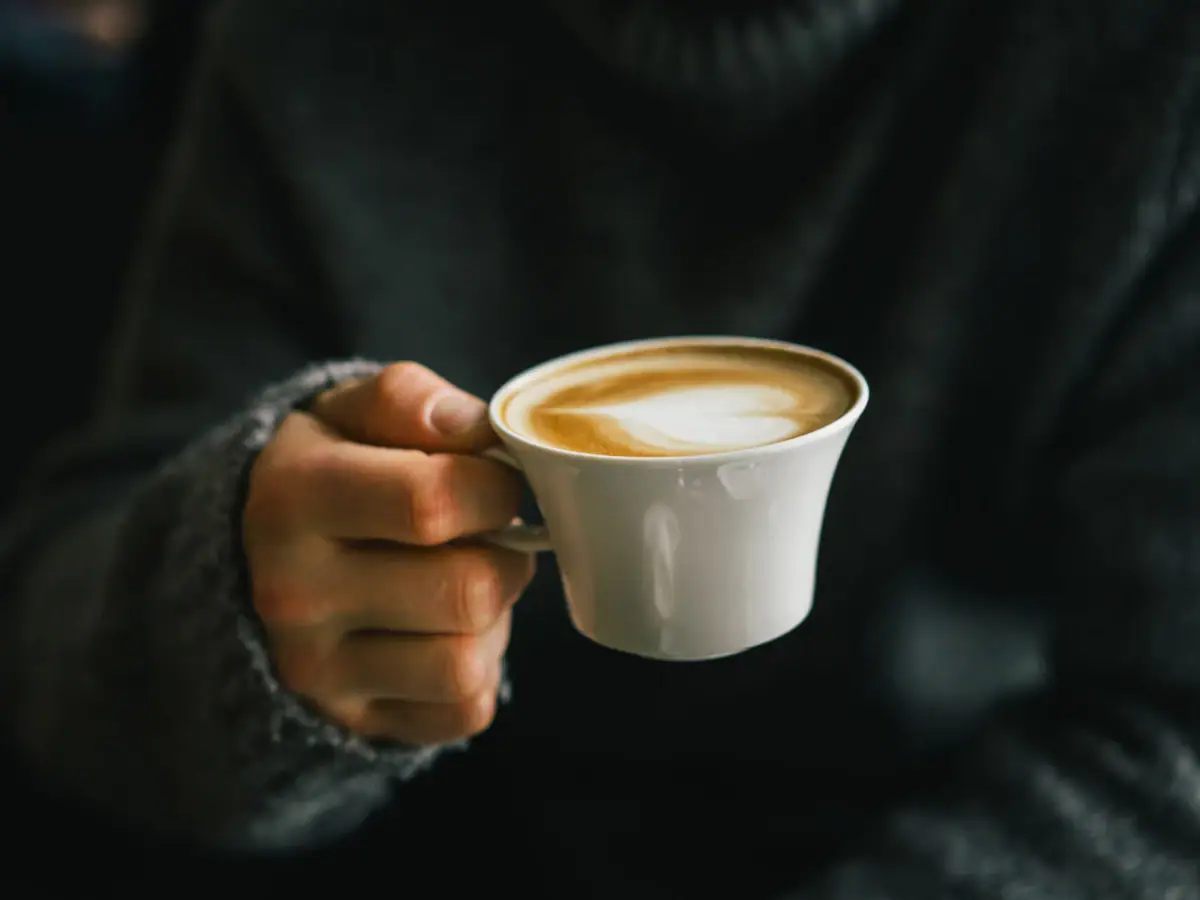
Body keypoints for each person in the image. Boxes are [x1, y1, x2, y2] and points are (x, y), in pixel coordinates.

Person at [2, 0, 1199, 895]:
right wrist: (240, 613)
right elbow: (47, 623)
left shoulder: (1149, 62)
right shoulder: (310, 35)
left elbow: (1174, 739)